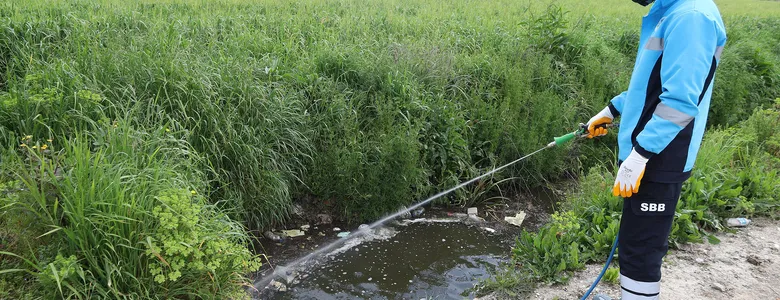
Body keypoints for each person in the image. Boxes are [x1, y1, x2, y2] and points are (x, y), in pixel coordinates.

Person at [585, 0, 727, 299]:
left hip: (662, 155)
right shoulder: (675, 12)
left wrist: (641, 155)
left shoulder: (692, 17)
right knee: (635, 241)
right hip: (652, 152)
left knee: (641, 252)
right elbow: (650, 85)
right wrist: (612, 108)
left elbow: (679, 101)